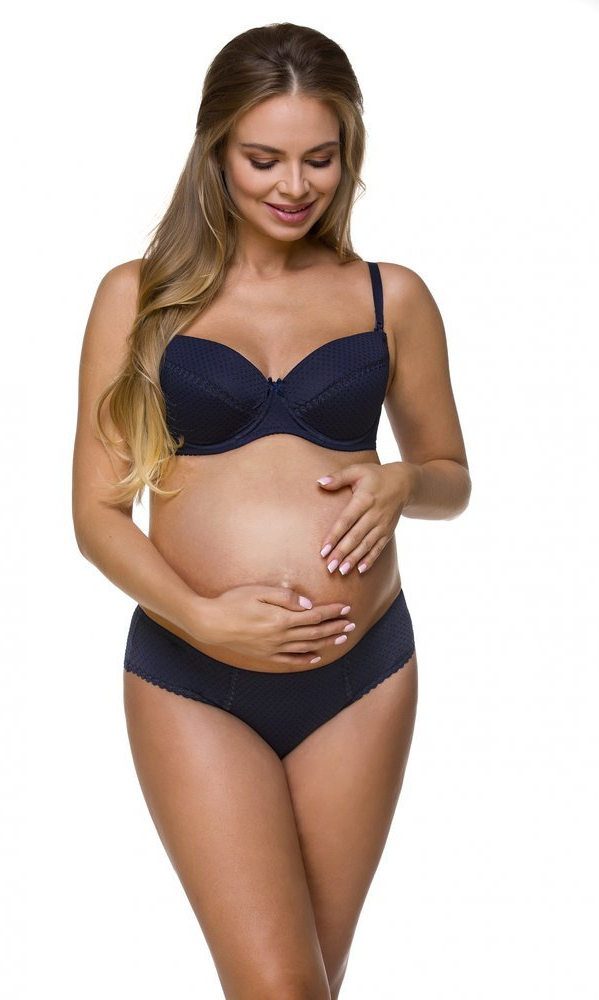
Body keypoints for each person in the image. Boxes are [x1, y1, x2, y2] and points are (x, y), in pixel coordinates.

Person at [72, 21, 471, 1000]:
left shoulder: (390, 298)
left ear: (348, 152)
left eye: (319, 159)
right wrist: (202, 617)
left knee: (310, 988)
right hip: (191, 675)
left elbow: (451, 475)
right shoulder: (138, 297)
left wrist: (402, 482)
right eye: (263, 160)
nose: (294, 186)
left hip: (363, 675)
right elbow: (96, 515)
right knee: (278, 985)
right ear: (215, 151)